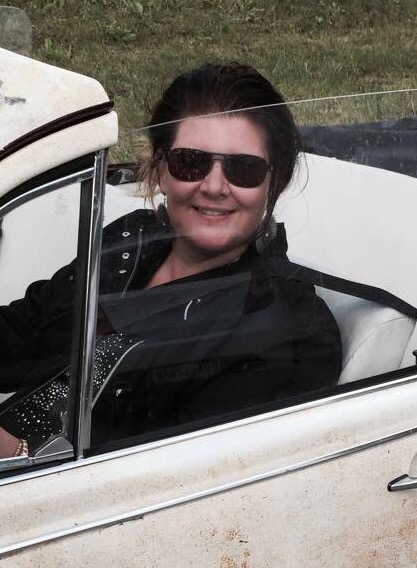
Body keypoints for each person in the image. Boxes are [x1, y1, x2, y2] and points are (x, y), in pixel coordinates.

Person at [0, 62, 342, 457]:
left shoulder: (289, 331)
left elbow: (181, 478)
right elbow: (23, 331)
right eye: (190, 162)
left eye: (243, 169)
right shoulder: (127, 243)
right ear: (161, 171)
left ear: (275, 180)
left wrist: (17, 454)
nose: (214, 186)